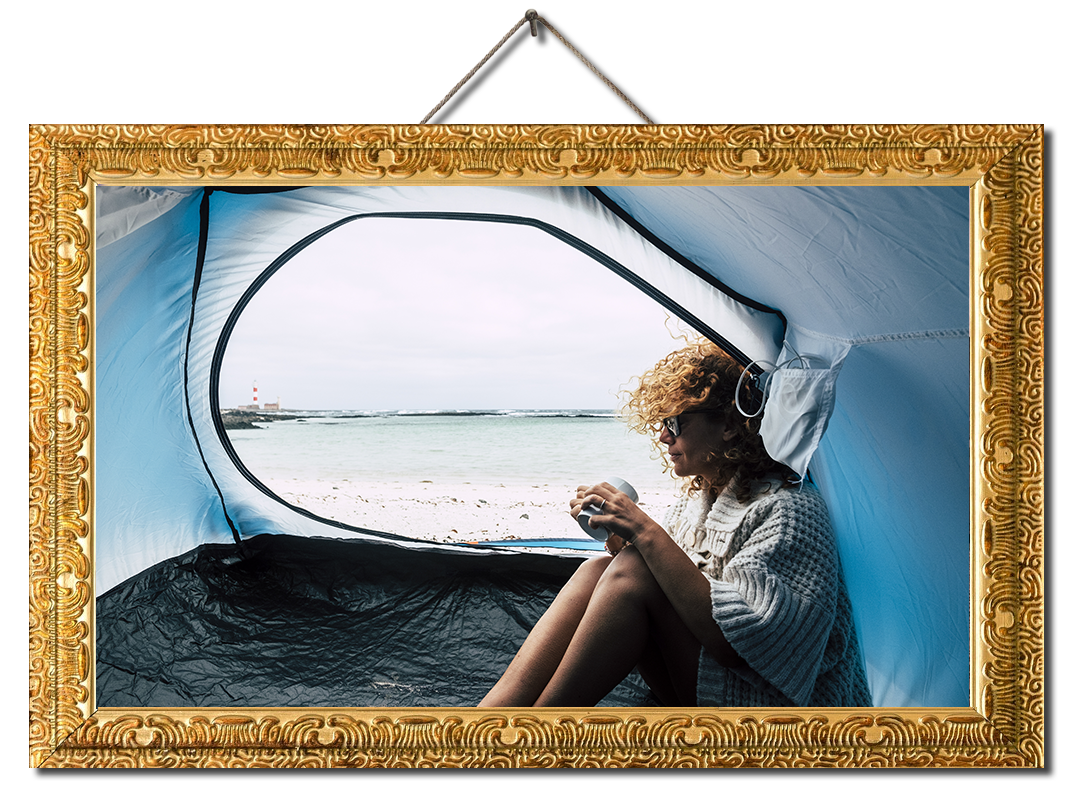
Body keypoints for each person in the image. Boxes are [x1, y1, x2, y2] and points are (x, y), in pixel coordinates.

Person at [479, 340, 871, 708]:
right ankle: (487, 720)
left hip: (771, 711)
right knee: (598, 567)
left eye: (676, 422)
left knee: (633, 569)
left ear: (731, 425)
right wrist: (623, 539)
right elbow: (673, 588)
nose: (664, 436)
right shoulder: (698, 502)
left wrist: (645, 532)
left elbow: (734, 646)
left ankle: (528, 737)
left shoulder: (790, 512)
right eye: (661, 423)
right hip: (707, 682)